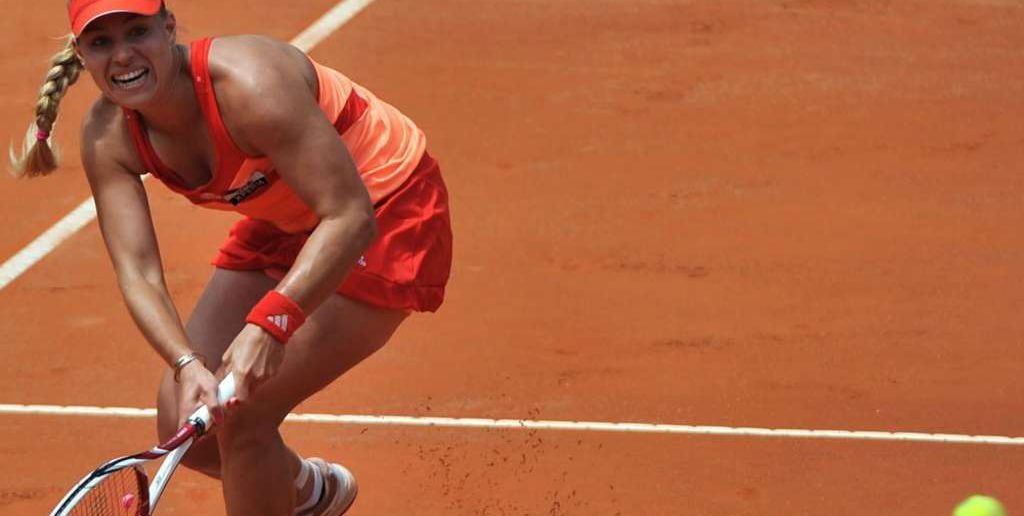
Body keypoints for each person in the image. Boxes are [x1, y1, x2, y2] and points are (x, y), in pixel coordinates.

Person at [10, 0, 453, 514]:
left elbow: (351, 216)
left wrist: (270, 326)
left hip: (387, 209)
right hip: (291, 216)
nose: (123, 55)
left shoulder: (251, 86)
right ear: (81, 54)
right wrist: (185, 364)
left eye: (137, 32)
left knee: (243, 416)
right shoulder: (108, 136)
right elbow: (138, 271)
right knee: (186, 422)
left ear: (168, 27)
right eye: (101, 42)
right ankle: (309, 493)